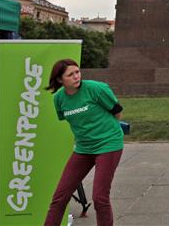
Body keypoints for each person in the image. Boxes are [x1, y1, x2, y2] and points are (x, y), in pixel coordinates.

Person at [44, 59, 124, 226]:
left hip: (108, 144)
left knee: (99, 198)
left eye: (77, 72)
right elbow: (69, 119)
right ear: (60, 80)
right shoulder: (59, 98)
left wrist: (104, 131)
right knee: (59, 197)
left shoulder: (96, 88)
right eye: (70, 74)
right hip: (83, 148)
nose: (76, 76)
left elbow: (117, 113)